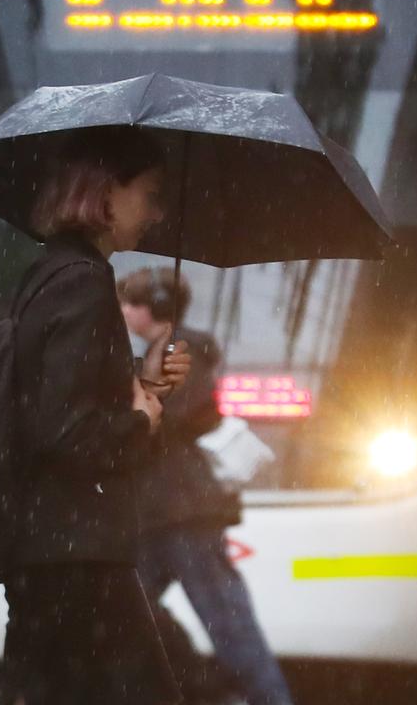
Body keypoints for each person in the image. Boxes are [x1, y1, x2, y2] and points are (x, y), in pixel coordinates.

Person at [1, 127, 192, 705]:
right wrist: (142, 420)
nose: (157, 213)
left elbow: (59, 400)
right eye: (150, 194)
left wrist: (143, 385)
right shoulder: (82, 282)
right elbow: (64, 431)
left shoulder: (53, 272)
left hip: (54, 551)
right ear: (106, 192)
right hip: (78, 557)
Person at [119, 267, 295, 705]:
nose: (122, 311)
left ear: (154, 307)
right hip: (158, 513)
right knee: (124, 607)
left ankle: (267, 699)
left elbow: (174, 416)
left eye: (129, 302)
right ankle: (196, 685)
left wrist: (141, 400)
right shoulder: (156, 354)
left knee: (230, 625)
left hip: (185, 512)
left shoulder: (184, 350)